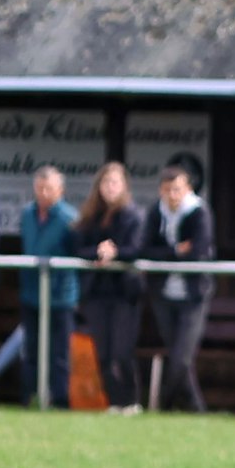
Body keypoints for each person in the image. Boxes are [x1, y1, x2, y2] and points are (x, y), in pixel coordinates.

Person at [75, 161, 147, 414]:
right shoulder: (91, 216)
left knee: (122, 351)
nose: (110, 187)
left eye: (115, 182)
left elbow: (137, 249)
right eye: (105, 182)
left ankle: (132, 401)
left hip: (124, 294)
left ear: (124, 186)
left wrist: (114, 253)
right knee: (103, 354)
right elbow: (77, 247)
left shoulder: (133, 216)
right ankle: (115, 402)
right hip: (97, 294)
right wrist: (97, 252)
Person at [145, 163, 214, 413]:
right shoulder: (156, 212)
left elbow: (198, 251)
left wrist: (166, 254)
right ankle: (196, 410)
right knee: (177, 357)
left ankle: (166, 405)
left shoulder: (199, 213)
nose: (172, 195)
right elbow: (146, 249)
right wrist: (175, 251)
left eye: (177, 189)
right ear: (161, 191)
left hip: (193, 296)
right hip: (163, 295)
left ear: (187, 189)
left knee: (181, 359)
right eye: (167, 190)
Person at [17, 166, 80, 410]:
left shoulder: (69, 218)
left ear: (60, 190)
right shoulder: (27, 214)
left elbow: (76, 253)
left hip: (60, 295)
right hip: (31, 292)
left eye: (49, 188)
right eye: (40, 188)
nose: (44, 193)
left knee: (59, 353)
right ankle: (29, 397)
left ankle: (60, 400)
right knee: (30, 349)